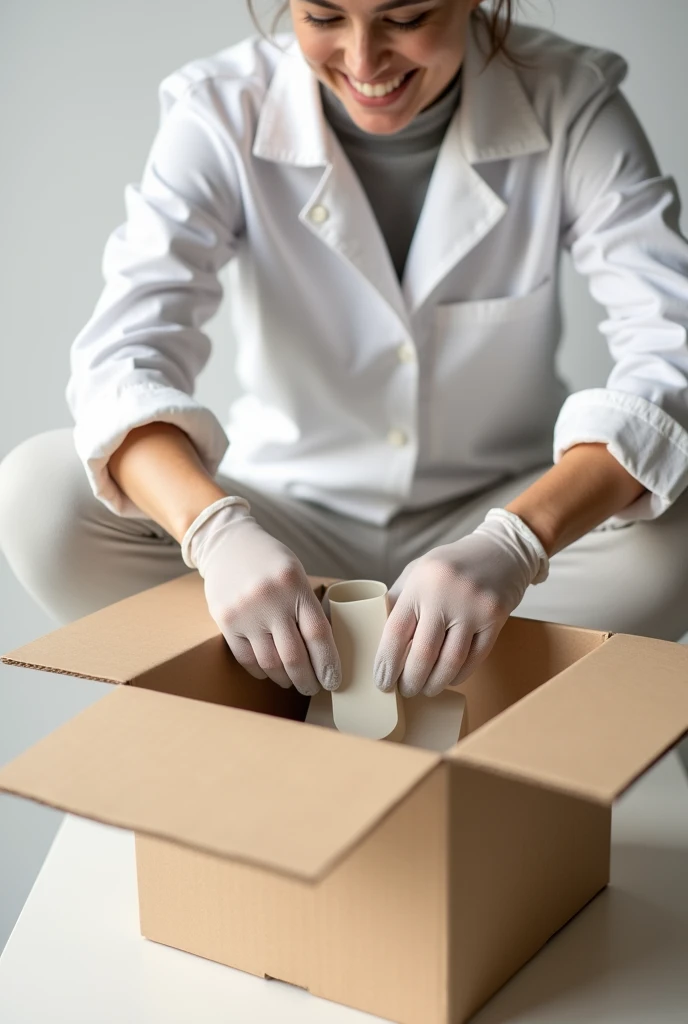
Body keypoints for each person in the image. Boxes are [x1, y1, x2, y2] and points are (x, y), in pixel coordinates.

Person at [1, 0, 688, 702]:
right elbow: (123, 360)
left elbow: (672, 348)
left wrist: (519, 540)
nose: (363, 62)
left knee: (682, 504)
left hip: (491, 528)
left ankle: (312, 683)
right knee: (38, 496)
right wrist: (215, 532)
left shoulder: (571, 99)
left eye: (406, 16)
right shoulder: (220, 109)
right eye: (324, 17)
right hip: (285, 526)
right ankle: (428, 680)